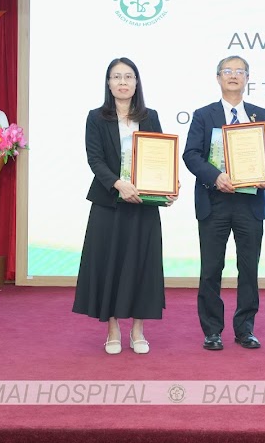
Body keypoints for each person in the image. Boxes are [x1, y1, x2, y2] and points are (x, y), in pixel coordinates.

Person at [72, 57, 178, 355]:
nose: (122, 82)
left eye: (128, 76)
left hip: (143, 205)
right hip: (109, 203)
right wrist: (119, 184)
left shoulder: (150, 116)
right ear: (108, 83)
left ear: (136, 82)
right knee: (111, 265)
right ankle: (113, 330)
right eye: (116, 77)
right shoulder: (96, 117)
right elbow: (95, 159)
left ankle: (138, 330)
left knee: (142, 265)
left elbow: (161, 157)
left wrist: (169, 187)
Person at [183, 55, 265, 351]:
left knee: (248, 269)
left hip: (250, 203)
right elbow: (191, 155)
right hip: (214, 202)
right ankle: (212, 330)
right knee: (211, 269)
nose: (233, 75)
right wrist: (215, 177)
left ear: (248, 78)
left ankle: (245, 329)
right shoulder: (203, 115)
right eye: (227, 71)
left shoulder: (261, 114)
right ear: (218, 78)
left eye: (240, 71)